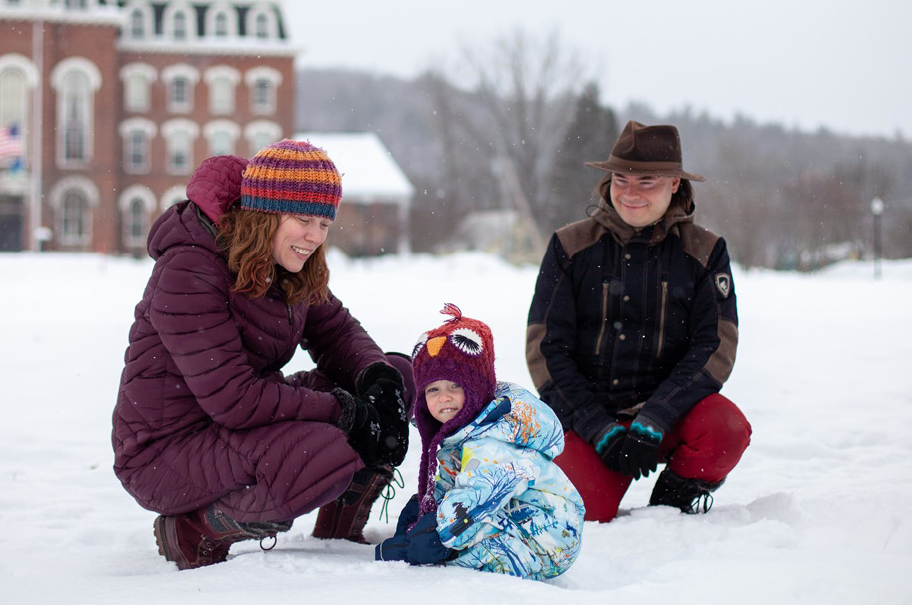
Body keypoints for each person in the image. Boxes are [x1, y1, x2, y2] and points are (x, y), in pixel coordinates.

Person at [111, 139, 414, 570]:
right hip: (165, 451)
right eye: (303, 219)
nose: (315, 236)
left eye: (325, 223)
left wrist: (379, 385)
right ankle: (195, 530)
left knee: (395, 374)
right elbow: (233, 398)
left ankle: (341, 525)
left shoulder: (283, 259)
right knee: (321, 452)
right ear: (264, 214)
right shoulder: (190, 268)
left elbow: (336, 330)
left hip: (235, 426)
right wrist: (344, 412)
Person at [526, 121, 752, 523]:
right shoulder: (569, 246)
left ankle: (673, 502)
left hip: (672, 411)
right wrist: (598, 427)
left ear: (675, 185)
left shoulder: (705, 251)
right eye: (620, 178)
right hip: (589, 417)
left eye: (646, 181)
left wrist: (656, 416)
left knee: (725, 430)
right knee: (584, 514)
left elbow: (714, 346)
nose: (630, 192)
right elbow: (546, 350)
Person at [374, 304, 584, 580]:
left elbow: (475, 500)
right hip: (511, 516)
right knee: (424, 520)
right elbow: (457, 486)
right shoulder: (462, 431)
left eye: (455, 386)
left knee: (445, 554)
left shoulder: (492, 440)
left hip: (546, 538)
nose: (443, 398)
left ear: (476, 389)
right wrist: (427, 509)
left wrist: (435, 538)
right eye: (434, 389)